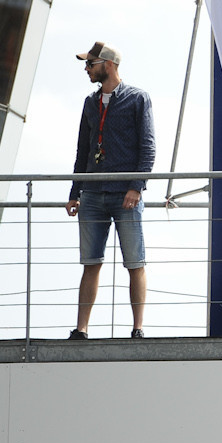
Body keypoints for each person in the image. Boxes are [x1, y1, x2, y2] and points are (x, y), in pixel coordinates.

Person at [66, 42, 154, 338]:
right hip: (91, 194)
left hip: (125, 194)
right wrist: (74, 193)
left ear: (109, 65)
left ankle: (138, 328)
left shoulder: (138, 98)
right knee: (90, 263)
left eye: (90, 64)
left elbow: (148, 148)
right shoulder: (90, 102)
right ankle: (81, 329)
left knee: (135, 262)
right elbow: (82, 151)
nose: (86, 69)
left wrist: (136, 187)